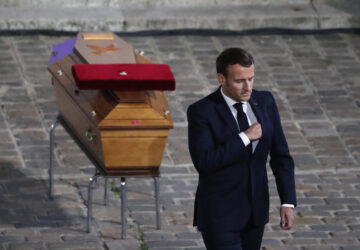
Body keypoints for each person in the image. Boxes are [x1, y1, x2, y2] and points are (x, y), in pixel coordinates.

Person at [187, 48, 297, 250]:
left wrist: (288, 201)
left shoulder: (265, 101)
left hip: (255, 214)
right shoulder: (202, 111)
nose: (247, 87)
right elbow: (204, 162)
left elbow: (281, 156)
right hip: (220, 215)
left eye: (251, 79)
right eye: (239, 81)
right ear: (222, 79)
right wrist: (245, 137)